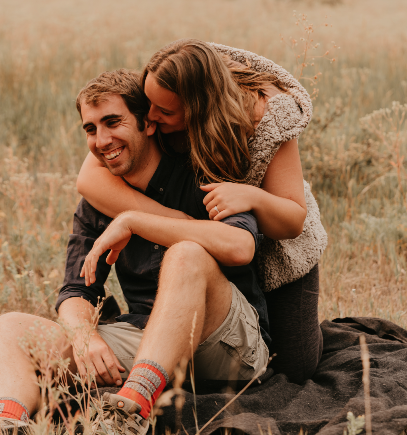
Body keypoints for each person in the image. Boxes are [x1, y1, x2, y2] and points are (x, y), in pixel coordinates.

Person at [0, 69, 270, 435]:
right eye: (90, 129)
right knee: (6, 327)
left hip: (226, 341)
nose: (101, 140)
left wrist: (136, 221)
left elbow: (240, 246)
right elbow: (76, 291)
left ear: (148, 123)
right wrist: (83, 335)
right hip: (145, 338)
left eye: (112, 122)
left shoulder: (201, 170)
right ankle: (7, 423)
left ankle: (129, 414)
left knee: (187, 254)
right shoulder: (98, 200)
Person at [77, 39, 327, 382]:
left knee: (297, 369)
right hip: (215, 234)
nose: (150, 116)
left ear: (197, 108)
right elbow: (89, 179)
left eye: (164, 111)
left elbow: (292, 221)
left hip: (278, 245)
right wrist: (171, 221)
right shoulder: (164, 95)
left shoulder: (266, 116)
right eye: (148, 104)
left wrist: (250, 197)